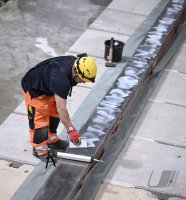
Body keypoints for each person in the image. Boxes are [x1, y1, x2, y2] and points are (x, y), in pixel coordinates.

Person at [21, 53, 97, 160]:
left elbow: (59, 109)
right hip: (34, 87)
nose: (84, 83)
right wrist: (71, 130)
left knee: (54, 112)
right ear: (76, 72)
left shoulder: (75, 64)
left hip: (48, 86)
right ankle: (39, 149)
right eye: (83, 79)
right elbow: (62, 109)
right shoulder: (61, 79)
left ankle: (51, 138)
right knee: (40, 120)